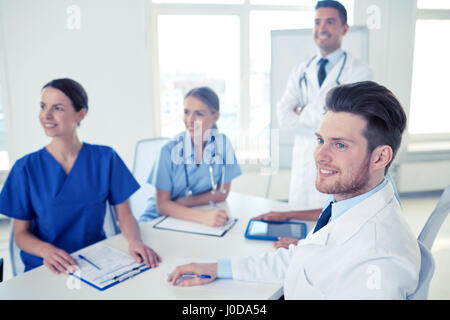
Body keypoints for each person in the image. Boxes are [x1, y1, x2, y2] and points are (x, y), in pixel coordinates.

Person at [168, 81, 422, 299]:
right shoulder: (352, 204)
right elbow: (304, 260)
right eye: (320, 140)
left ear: (380, 158)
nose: (320, 155)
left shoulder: (378, 263)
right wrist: (217, 268)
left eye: (340, 145)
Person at [0, 78, 161, 274]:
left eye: (57, 108)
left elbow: (125, 216)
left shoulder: (105, 158)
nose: (46, 115)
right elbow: (20, 234)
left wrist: (135, 242)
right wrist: (47, 251)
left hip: (96, 262)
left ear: (80, 114)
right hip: (46, 269)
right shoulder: (25, 168)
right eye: (43, 106)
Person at [257, 0, 373, 248]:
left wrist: (304, 112)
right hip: (302, 162)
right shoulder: (302, 69)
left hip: (336, 161)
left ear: (344, 28)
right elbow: (284, 115)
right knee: (295, 239)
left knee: (329, 237)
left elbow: (347, 126)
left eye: (330, 21)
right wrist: (323, 113)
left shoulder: (359, 72)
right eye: (317, 21)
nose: (322, 27)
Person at [139, 87, 242, 227]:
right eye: (186, 112)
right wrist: (203, 217)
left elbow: (221, 193)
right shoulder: (169, 151)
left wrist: (183, 202)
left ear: (215, 117)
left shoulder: (223, 144)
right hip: (156, 221)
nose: (190, 120)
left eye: (199, 114)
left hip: (190, 216)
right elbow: (162, 205)